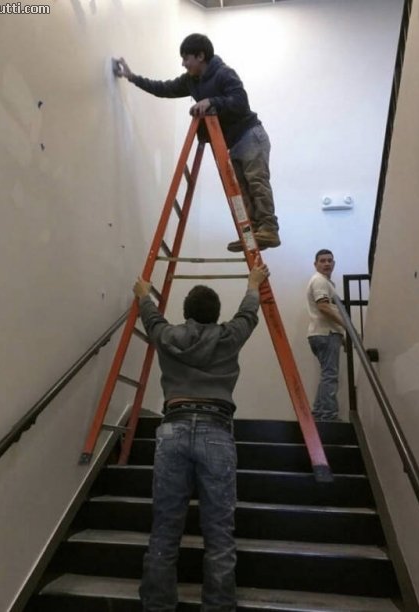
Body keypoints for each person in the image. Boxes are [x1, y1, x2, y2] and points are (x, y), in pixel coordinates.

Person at [133, 258, 270, 611]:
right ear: (215, 313)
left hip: (173, 428)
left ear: (187, 313)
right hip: (216, 429)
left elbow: (151, 318)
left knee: (165, 529)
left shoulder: (168, 336)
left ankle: (157, 606)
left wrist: (144, 294)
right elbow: (248, 314)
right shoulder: (228, 337)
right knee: (219, 533)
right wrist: (253, 283)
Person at [114, 33, 280, 253]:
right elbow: (164, 88)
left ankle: (269, 229)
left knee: (256, 182)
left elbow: (240, 102)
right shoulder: (191, 80)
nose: (183, 64)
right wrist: (132, 77)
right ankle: (253, 235)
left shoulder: (224, 73)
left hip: (249, 135)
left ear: (200, 56)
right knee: (241, 191)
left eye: (186, 58)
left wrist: (211, 101)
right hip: (232, 143)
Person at [306, 249, 345, 421]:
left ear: (334, 263)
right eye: (322, 261)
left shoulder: (324, 282)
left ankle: (320, 413)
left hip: (323, 333)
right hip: (325, 333)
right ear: (315, 264)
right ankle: (328, 415)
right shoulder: (320, 281)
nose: (327, 263)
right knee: (330, 375)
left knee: (327, 374)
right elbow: (323, 306)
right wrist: (346, 326)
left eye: (330, 260)